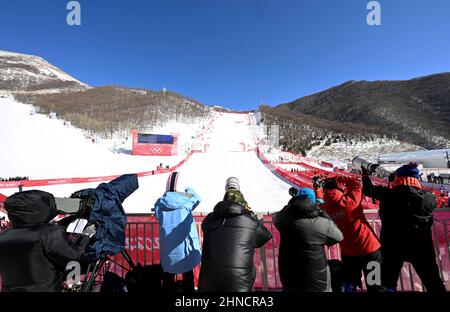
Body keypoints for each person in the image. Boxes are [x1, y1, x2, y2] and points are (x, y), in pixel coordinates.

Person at [362, 162, 447, 293]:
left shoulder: (388, 194)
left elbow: (367, 189)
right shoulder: (428, 198)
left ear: (398, 179)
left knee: (387, 282)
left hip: (392, 246)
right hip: (421, 248)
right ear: (416, 179)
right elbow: (432, 199)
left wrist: (365, 175)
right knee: (433, 283)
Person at [0, 190, 96, 292]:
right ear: (39, 209)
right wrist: (86, 236)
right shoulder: (49, 233)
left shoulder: (3, 236)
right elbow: (73, 256)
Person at [198, 177, 272, 292]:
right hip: (239, 282)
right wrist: (250, 215)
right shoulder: (249, 221)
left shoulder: (210, 219)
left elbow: (205, 227)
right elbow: (265, 236)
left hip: (208, 281)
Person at [319, 175, 384, 292]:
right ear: (338, 188)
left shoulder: (325, 209)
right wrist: (338, 177)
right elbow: (356, 181)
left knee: (350, 283)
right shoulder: (351, 200)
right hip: (369, 248)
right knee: (374, 283)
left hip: (348, 251)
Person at [273, 187, 343, 292]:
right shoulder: (321, 224)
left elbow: (277, 216)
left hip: (290, 279)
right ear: (313, 203)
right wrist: (323, 214)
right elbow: (339, 236)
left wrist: (289, 208)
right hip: (317, 281)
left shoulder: (283, 220)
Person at [154, 172, 202, 292]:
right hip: (184, 249)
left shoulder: (160, 203)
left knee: (168, 277)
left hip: (168, 250)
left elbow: (157, 213)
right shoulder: (186, 203)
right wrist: (187, 190)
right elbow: (197, 198)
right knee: (188, 277)